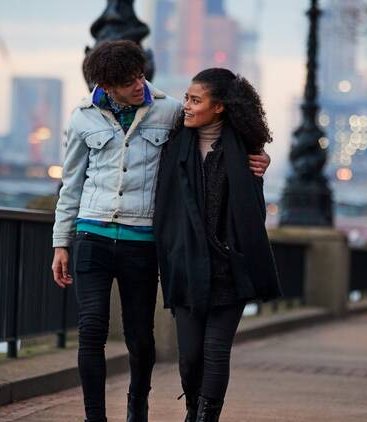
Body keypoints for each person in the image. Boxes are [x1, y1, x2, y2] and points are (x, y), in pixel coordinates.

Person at [50, 42, 270, 422]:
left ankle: (138, 405)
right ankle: (95, 417)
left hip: (141, 240)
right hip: (92, 233)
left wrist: (261, 155)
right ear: (107, 84)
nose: (139, 84)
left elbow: (223, 125)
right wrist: (60, 243)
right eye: (128, 80)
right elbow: (71, 185)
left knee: (140, 337)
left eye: (140, 74)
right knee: (90, 331)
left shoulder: (168, 111)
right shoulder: (82, 118)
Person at [154, 68, 282, 421]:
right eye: (187, 99)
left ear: (220, 107)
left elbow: (251, 210)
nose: (188, 107)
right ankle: (194, 409)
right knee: (189, 356)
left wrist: (262, 165)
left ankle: (205, 418)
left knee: (215, 351)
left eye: (196, 100)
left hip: (230, 268)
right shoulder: (173, 145)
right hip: (186, 266)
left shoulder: (246, 151)